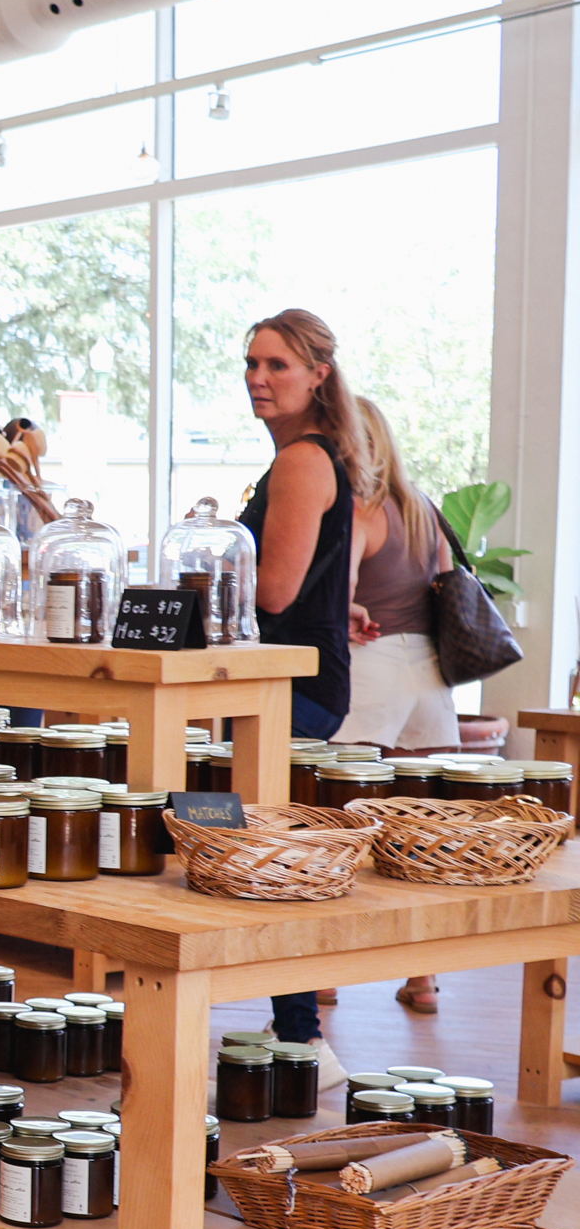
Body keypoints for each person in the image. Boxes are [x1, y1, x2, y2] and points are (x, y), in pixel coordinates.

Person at [237, 309, 373, 1078]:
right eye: (251, 363)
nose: (258, 377)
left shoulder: (300, 462)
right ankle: (297, 1036)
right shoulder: (313, 458)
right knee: (259, 849)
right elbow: (326, 579)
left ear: (318, 374)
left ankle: (301, 1040)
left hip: (287, 693)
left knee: (254, 850)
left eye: (276, 365)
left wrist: (195, 577)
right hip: (305, 685)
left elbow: (273, 592)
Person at [339, 396, 458, 1015]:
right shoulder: (423, 510)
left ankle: (323, 976)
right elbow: (447, 592)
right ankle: (423, 979)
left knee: (336, 822)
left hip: (374, 669)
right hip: (431, 676)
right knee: (421, 835)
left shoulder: (361, 511)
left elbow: (344, 595)